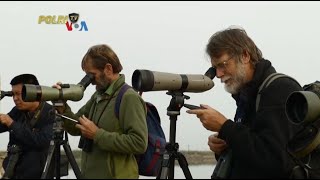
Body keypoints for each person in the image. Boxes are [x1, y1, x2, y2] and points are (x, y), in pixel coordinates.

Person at [187, 27, 302, 178]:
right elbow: (252, 150)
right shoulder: (246, 97)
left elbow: (275, 161)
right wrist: (223, 146)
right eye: (215, 68)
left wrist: (225, 127)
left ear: (245, 56)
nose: (219, 74)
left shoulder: (279, 89)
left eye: (223, 64)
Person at [55, 44, 148, 179]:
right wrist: (63, 108)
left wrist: (97, 134)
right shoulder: (98, 96)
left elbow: (139, 143)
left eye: (92, 75)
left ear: (108, 69)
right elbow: (76, 127)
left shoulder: (129, 97)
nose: (91, 82)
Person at [0, 74, 54, 179]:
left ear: (32, 92)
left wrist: (12, 124)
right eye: (13, 95)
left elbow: (40, 141)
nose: (15, 99)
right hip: (15, 172)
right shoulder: (17, 111)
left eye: (18, 94)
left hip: (40, 174)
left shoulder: (50, 113)